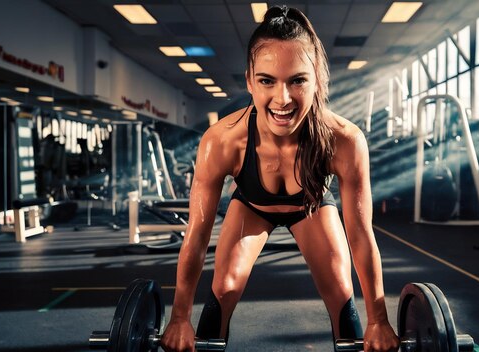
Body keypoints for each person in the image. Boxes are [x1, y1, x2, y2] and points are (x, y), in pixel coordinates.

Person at [161, 5, 399, 352]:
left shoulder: (344, 141)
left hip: (311, 208)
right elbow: (196, 236)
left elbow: (361, 237)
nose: (282, 99)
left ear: (316, 78)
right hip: (252, 207)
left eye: (297, 80)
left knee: (339, 286)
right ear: (249, 81)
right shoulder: (223, 141)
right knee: (225, 285)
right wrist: (179, 317)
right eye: (267, 81)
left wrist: (379, 320)